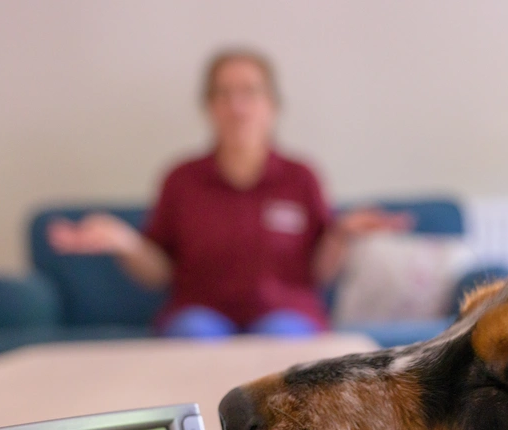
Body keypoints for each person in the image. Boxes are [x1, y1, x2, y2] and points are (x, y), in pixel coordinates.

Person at [46, 48, 410, 338]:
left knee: (281, 337)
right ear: (209, 107)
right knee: (193, 334)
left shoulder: (301, 177)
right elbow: (159, 273)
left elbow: (318, 273)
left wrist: (341, 234)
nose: (237, 107)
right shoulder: (181, 179)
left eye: (249, 92)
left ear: (272, 106)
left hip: (286, 314)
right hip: (198, 315)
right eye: (223, 94)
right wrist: (124, 242)